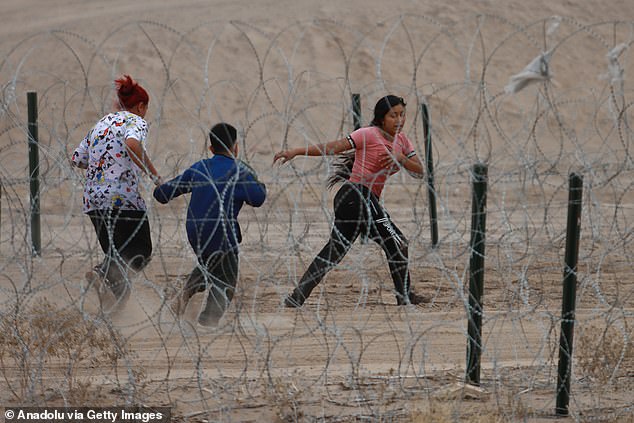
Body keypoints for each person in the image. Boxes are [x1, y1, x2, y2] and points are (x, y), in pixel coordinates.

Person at [273, 95, 428, 307]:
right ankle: (405, 297)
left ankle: (297, 297)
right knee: (398, 243)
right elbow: (334, 147)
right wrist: (297, 152)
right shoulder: (368, 134)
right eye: (393, 115)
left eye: (402, 115)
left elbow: (420, 171)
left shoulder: (402, 142)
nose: (399, 120)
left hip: (361, 200)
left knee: (334, 251)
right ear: (382, 118)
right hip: (356, 195)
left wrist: (399, 158)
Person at [153, 123, 266, 326]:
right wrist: (259, 183)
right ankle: (207, 321)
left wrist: (160, 186)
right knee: (226, 283)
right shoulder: (239, 171)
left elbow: (163, 195)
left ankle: (186, 293)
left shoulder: (200, 167)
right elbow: (258, 198)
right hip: (221, 232)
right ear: (236, 147)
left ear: (211, 149)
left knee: (211, 265)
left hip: (195, 231)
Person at [72, 75, 161, 310]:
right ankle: (101, 273)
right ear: (141, 106)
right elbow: (132, 145)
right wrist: (154, 175)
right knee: (140, 251)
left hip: (94, 199)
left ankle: (113, 315)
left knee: (118, 259)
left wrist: (102, 163)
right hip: (123, 198)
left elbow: (77, 158)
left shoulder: (101, 124)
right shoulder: (135, 121)